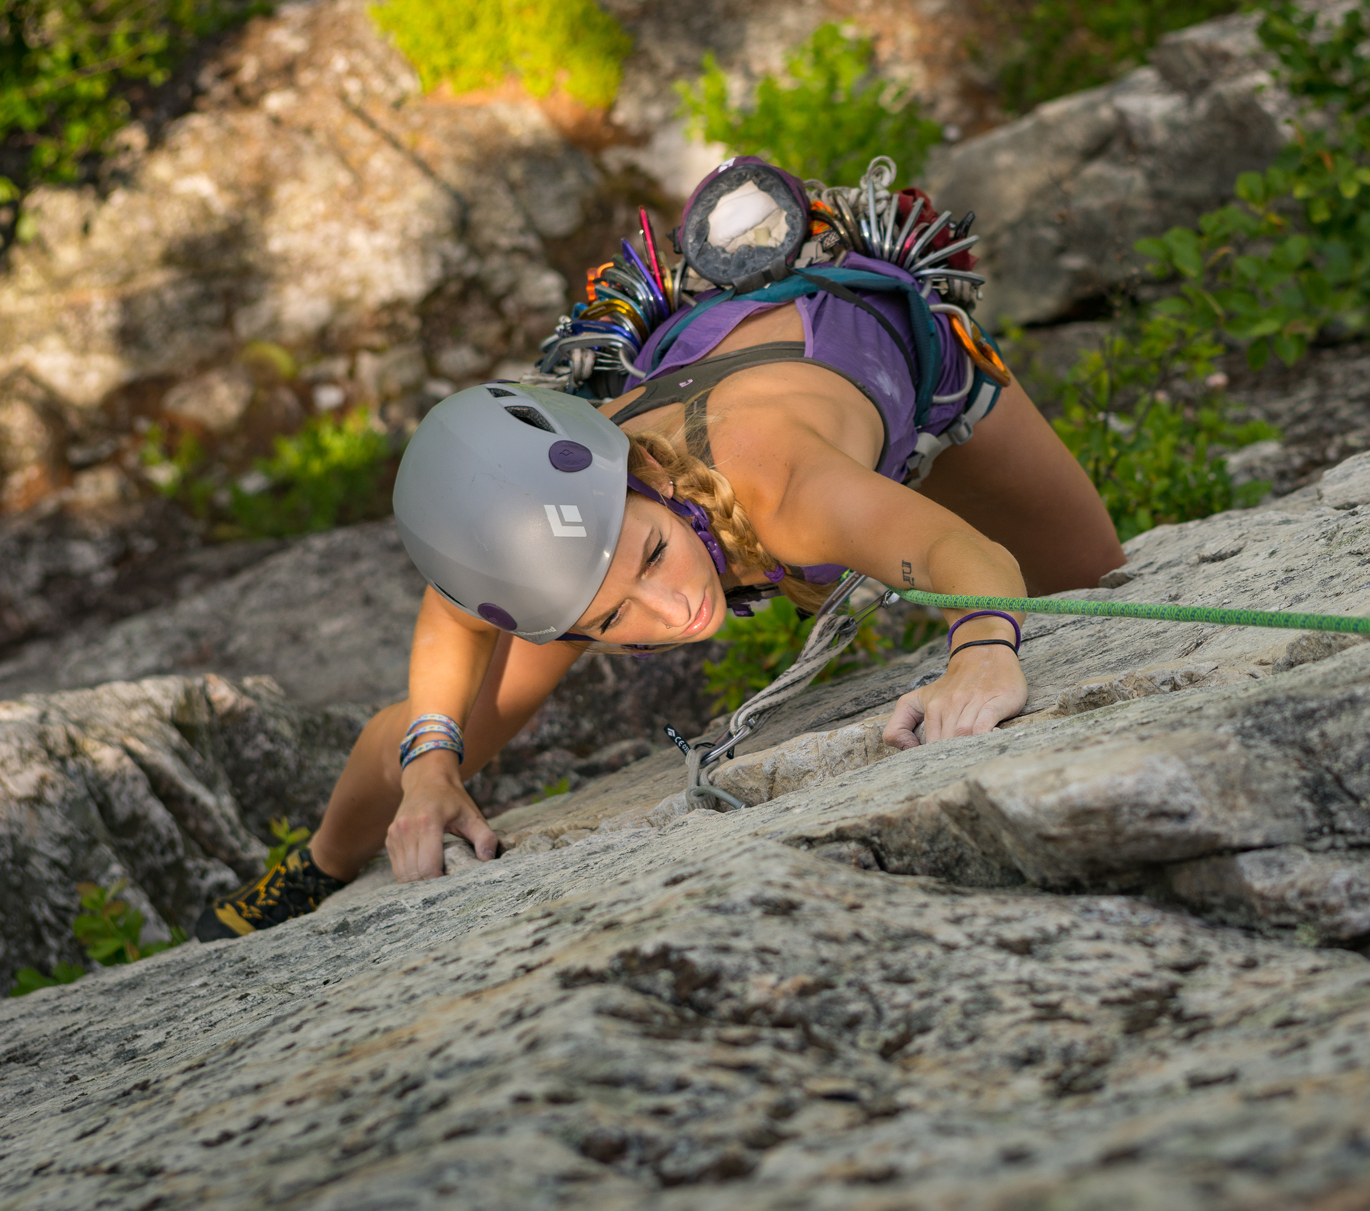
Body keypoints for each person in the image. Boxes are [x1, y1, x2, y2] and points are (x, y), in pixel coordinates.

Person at [194, 212, 1122, 941]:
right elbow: (455, 610)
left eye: (650, 557)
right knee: (469, 719)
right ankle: (317, 863)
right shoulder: (579, 534)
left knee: (1088, 577)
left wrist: (983, 655)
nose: (671, 611)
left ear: (645, 475)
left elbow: (970, 560)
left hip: (913, 365)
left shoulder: (785, 487)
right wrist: (433, 766)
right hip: (708, 369)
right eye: (611, 620)